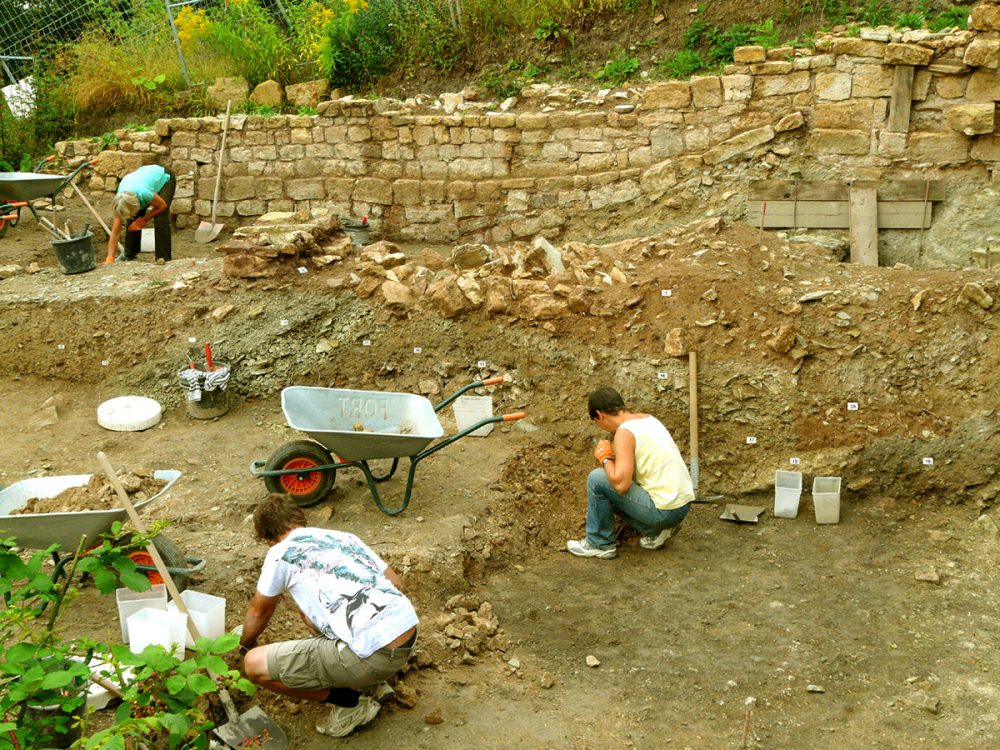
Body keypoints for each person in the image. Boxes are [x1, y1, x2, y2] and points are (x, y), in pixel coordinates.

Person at [238, 494, 418, 737]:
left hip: (375, 656)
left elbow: (259, 612)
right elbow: (395, 582)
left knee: (254, 665)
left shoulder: (280, 553)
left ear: (268, 537)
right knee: (311, 617)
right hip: (407, 636)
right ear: (298, 519)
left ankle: (350, 702)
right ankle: (370, 681)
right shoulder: (344, 537)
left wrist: (244, 645)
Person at [567, 386, 694, 559]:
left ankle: (599, 543)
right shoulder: (647, 418)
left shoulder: (624, 433)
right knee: (612, 486)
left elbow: (621, 485)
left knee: (598, 479)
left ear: (600, 415)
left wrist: (605, 458)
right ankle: (657, 531)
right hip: (681, 505)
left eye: (597, 422)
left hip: (665, 510)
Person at [105, 164, 175, 263]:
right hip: (143, 179)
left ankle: (163, 258)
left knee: (160, 219)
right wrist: (110, 257)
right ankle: (129, 255)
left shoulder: (143, 193)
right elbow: (116, 229)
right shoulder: (120, 201)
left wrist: (144, 219)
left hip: (163, 177)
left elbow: (162, 206)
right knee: (133, 219)